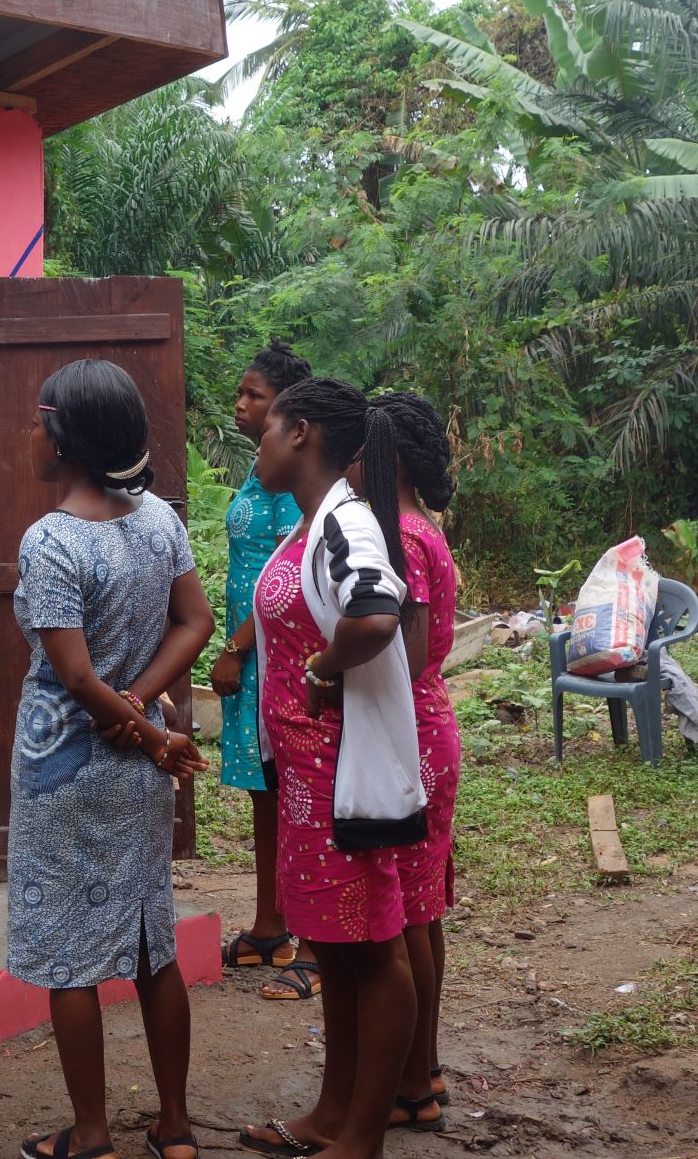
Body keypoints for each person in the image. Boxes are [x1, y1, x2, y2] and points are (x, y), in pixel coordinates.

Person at [10, 359, 215, 1159]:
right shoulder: (159, 519)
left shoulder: (51, 541)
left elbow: (73, 676)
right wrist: (147, 709)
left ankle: (92, 1131)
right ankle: (176, 1125)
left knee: (69, 956)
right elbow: (194, 621)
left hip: (66, 766)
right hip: (140, 769)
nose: (30, 435)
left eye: (37, 422)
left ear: (64, 440)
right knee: (151, 941)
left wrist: (138, 721)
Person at [240, 377, 425, 1159]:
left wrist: (321, 669)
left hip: (346, 779)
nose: (257, 444)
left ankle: (362, 1138)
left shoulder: (347, 522)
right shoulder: (311, 522)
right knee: (339, 951)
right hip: (307, 780)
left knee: (375, 952)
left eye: (267, 428)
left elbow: (377, 613)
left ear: (301, 432)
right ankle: (331, 1113)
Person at [358, 391, 461, 1132]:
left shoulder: (404, 538)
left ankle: (414, 1082)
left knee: (413, 915)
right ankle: (423, 1066)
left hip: (412, 733)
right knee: (423, 909)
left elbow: (414, 649)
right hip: (426, 727)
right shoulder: (421, 528)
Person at [207, 340, 321, 1000]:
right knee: (266, 793)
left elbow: (293, 567)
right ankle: (269, 926)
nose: (241, 403)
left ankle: (314, 942)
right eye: (241, 392)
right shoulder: (259, 470)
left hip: (275, 655)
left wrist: (236, 645)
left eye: (255, 395)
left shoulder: (293, 483)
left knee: (297, 790)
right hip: (253, 659)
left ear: (290, 413)